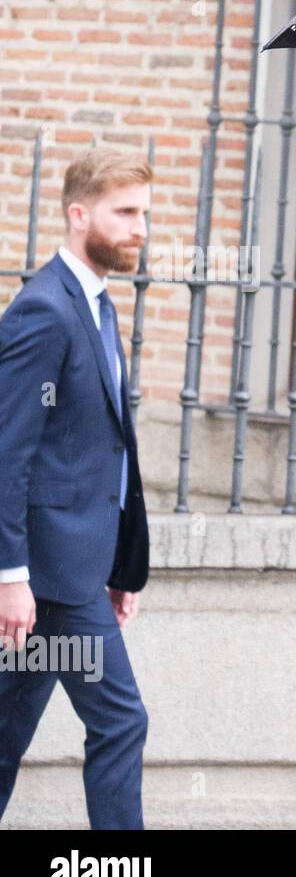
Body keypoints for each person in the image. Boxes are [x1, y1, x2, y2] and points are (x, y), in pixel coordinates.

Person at [0, 147, 152, 829]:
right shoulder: (44, 311)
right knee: (122, 721)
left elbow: (105, 449)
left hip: (74, 567)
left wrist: (121, 564)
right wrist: (9, 574)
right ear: (77, 213)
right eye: (125, 213)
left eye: (143, 214)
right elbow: (8, 451)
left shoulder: (97, 305)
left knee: (6, 731)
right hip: (49, 579)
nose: (139, 229)